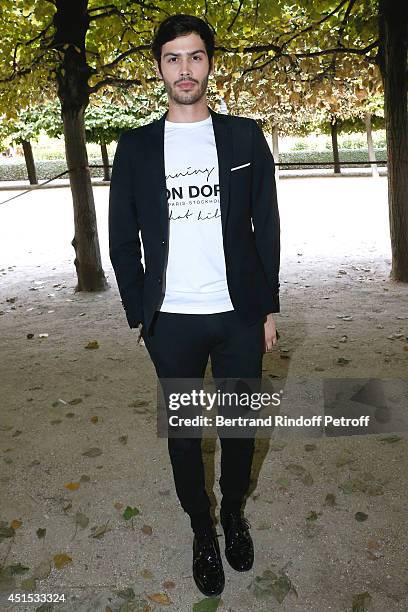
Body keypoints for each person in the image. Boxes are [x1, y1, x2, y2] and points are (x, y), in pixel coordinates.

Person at [108, 13, 280, 598]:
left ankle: (233, 512)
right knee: (184, 435)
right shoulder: (134, 147)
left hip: (237, 316)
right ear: (159, 68)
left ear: (210, 63)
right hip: (172, 321)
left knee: (238, 427)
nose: (186, 69)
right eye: (174, 58)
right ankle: (201, 529)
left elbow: (266, 226)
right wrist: (141, 314)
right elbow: (122, 236)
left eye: (196, 56)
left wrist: (268, 308)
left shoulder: (243, 137)